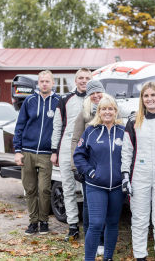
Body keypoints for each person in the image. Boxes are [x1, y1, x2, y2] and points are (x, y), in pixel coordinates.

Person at [121, 81, 155, 261]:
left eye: (153, 95)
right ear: (142, 99)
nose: (150, 99)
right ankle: (140, 257)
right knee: (139, 221)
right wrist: (125, 177)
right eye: (146, 95)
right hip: (139, 176)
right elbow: (127, 151)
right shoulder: (133, 121)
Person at [73, 96, 125, 261]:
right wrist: (90, 172)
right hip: (95, 185)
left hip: (117, 187)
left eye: (111, 109)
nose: (107, 112)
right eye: (104, 109)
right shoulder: (90, 131)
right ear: (99, 112)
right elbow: (79, 155)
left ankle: (108, 257)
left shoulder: (124, 132)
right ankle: (89, 258)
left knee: (112, 223)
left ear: (116, 111)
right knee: (95, 223)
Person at [13, 70, 60, 235]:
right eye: (42, 81)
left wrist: (57, 151)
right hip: (28, 152)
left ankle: (44, 221)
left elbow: (62, 128)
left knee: (44, 189)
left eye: (47, 81)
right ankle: (33, 222)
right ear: (38, 83)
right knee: (30, 189)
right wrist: (18, 151)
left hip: (47, 153)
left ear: (53, 83)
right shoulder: (29, 101)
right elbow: (19, 126)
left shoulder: (59, 102)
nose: (44, 84)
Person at [51, 68, 92, 241]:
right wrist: (54, 151)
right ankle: (73, 226)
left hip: (88, 148)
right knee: (68, 187)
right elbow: (57, 126)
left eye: (87, 78)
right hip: (67, 146)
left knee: (87, 188)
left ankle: (90, 227)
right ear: (75, 81)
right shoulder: (65, 100)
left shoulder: (96, 98)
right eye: (80, 78)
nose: (83, 81)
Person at [71, 80, 110, 255]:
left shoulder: (111, 110)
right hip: (89, 169)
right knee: (89, 206)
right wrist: (76, 167)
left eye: (98, 92)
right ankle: (91, 238)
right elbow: (75, 140)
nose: (95, 96)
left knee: (106, 206)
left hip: (108, 169)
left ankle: (102, 239)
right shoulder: (84, 114)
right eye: (92, 93)